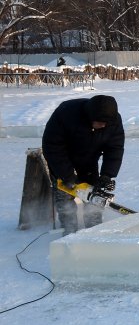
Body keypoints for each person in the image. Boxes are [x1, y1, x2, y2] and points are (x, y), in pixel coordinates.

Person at [41, 94, 124, 235]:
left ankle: (94, 231)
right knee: (65, 198)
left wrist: (107, 175)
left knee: (93, 197)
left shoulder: (113, 120)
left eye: (106, 123)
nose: (103, 125)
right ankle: (69, 232)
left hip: (89, 162)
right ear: (90, 117)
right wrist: (67, 175)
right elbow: (52, 146)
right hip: (62, 161)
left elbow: (115, 148)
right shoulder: (66, 113)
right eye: (100, 122)